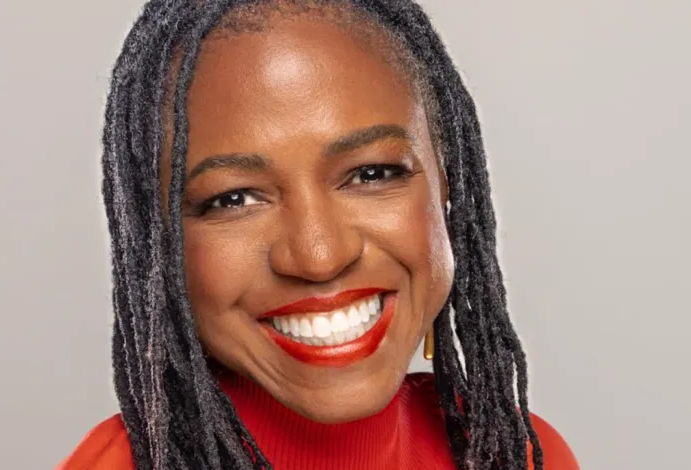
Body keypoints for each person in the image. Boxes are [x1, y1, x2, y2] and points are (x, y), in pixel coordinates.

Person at [58, 1, 579, 469]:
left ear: (446, 178)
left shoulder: (516, 454)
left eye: (371, 173)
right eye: (233, 199)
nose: (319, 257)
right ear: (158, 240)